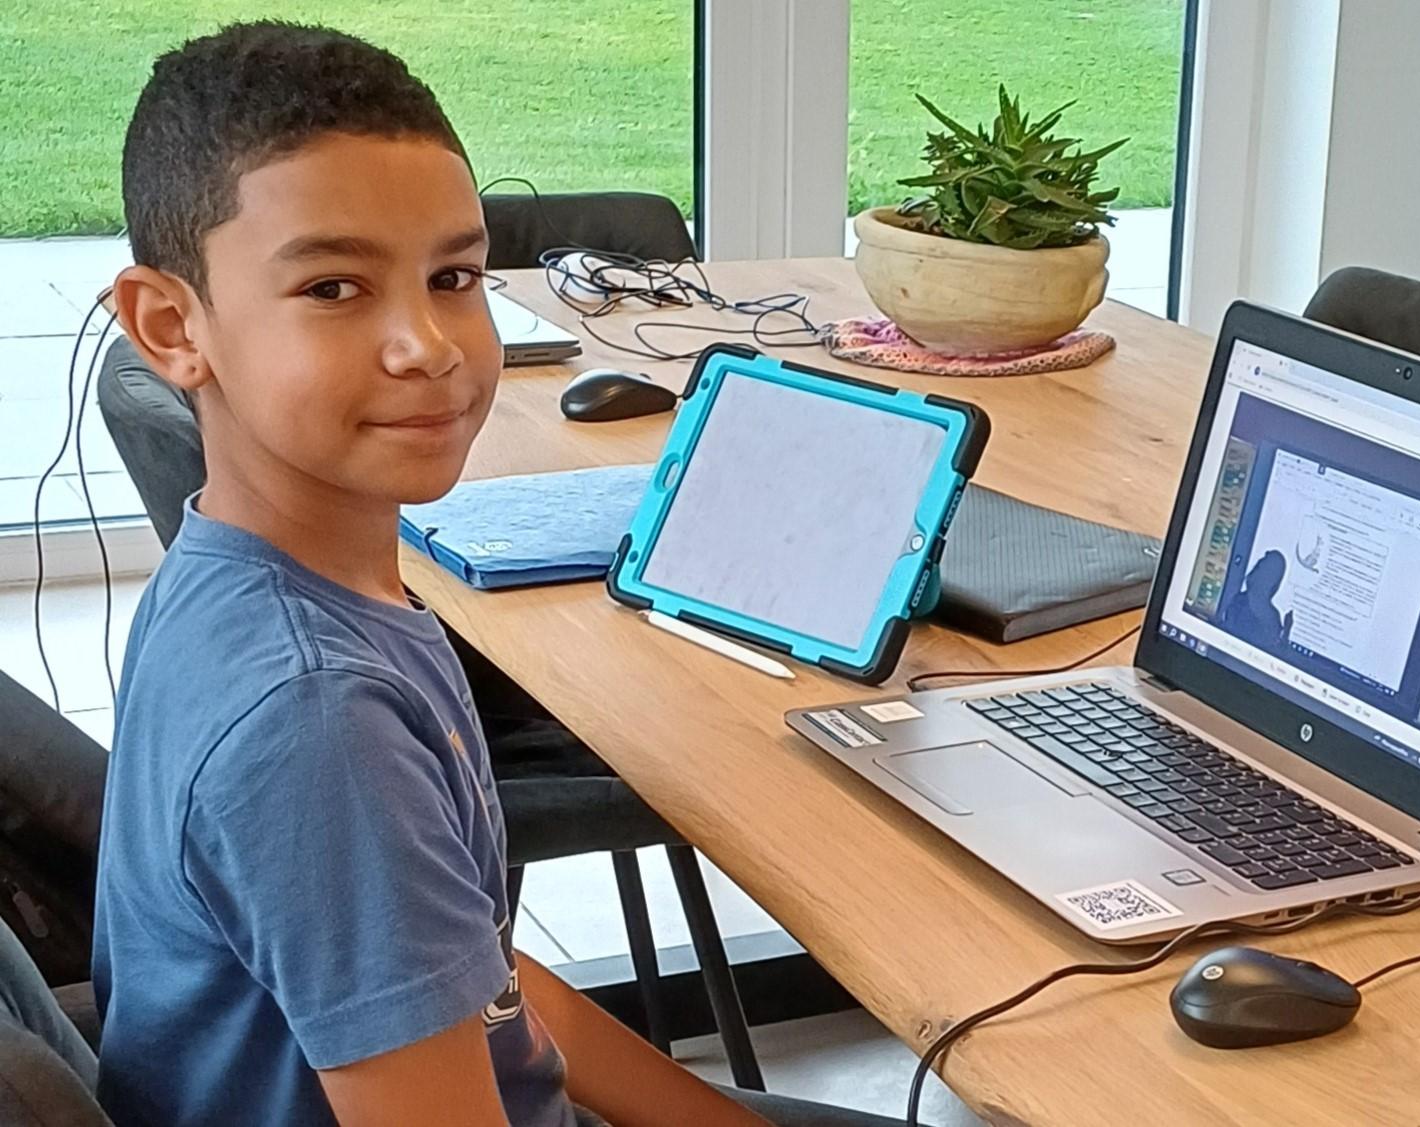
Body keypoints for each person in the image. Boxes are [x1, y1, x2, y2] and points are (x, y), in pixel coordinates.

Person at [95, 22, 900, 1127]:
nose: (427, 343)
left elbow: (480, 979)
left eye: (453, 276)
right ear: (171, 326)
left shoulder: (247, 571)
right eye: (333, 287)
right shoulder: (318, 716)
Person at [1219, 550, 1293, 650]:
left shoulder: (1271, 618)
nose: (1257, 566)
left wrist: (1286, 632)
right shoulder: (1239, 599)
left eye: (1261, 565)